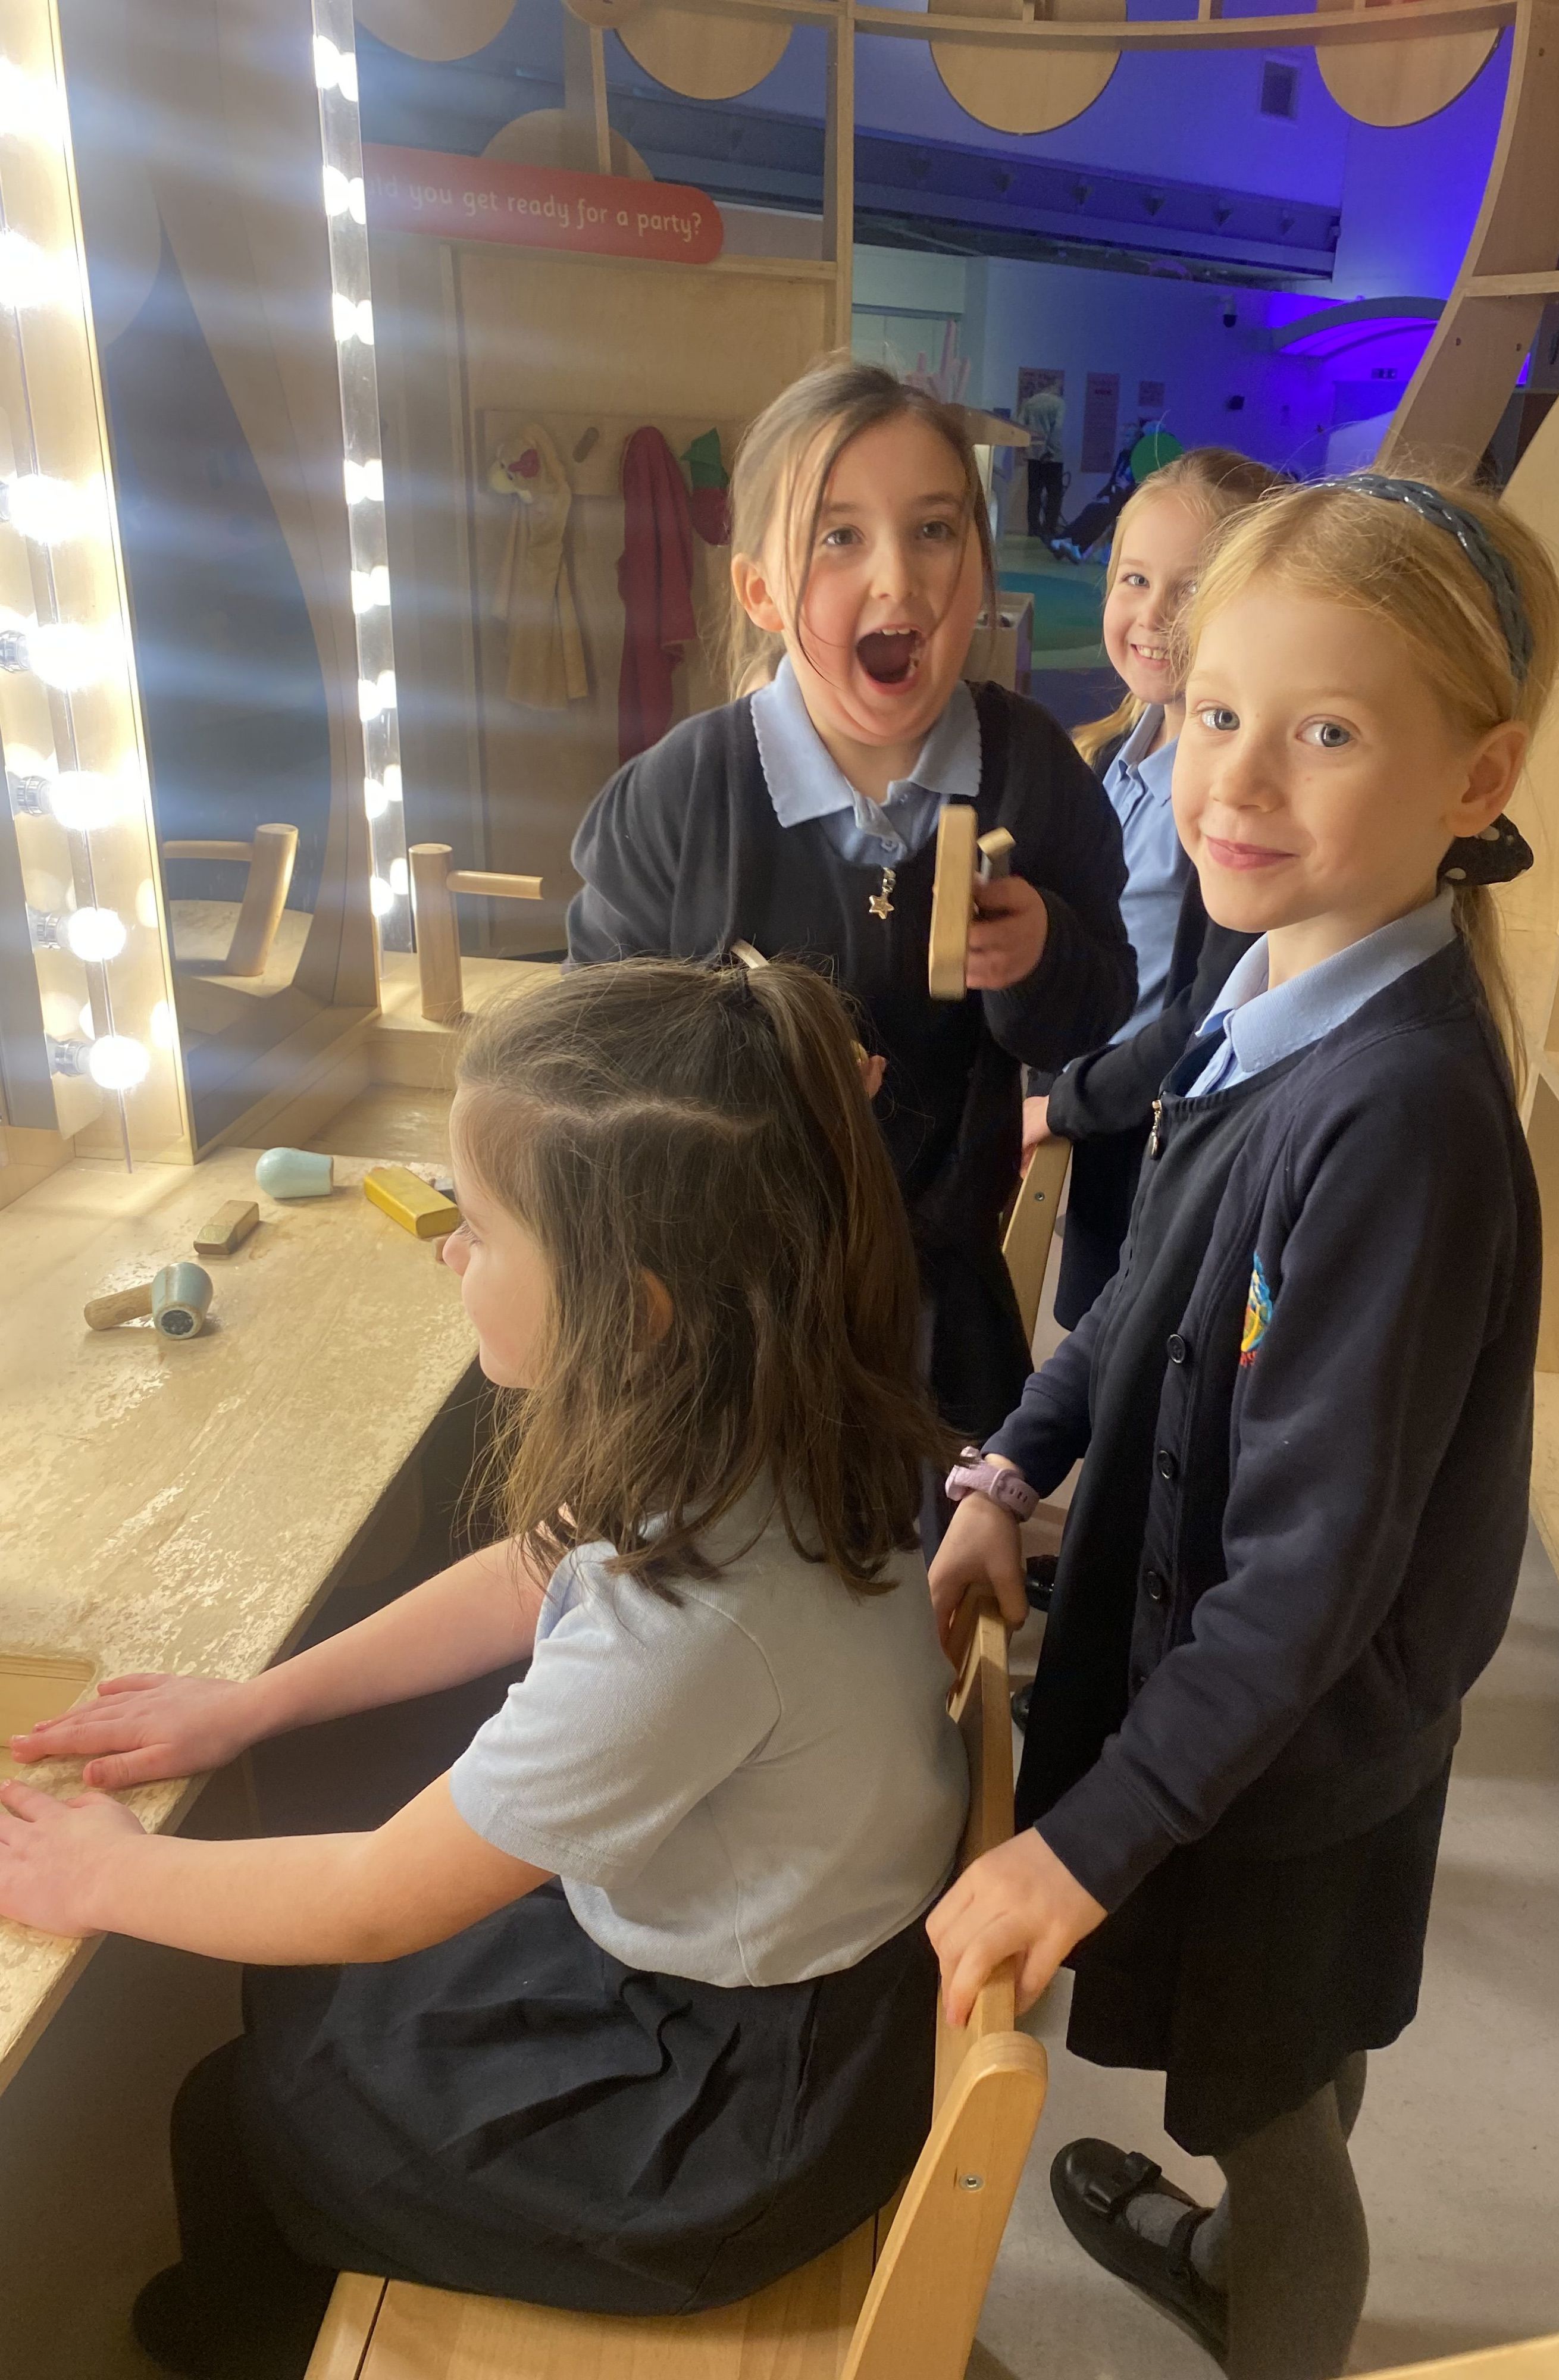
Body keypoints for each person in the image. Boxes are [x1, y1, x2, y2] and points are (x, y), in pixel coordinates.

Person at [2, 957, 971, 2380]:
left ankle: (240, 2333)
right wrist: (258, 1701)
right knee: (293, 2010)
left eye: (484, 1228)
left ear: (635, 1306)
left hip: (733, 2112)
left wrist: (107, 1877)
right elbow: (536, 1567)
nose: (451, 1252)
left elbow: (375, 1897)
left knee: (246, 2099)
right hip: (777, 1964)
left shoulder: (688, 1625)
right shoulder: (765, 1424)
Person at [928, 471, 1559, 2380]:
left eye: (1328, 732)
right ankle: (1230, 2249)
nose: (1239, 781)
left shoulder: (1397, 1118)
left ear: (1477, 778)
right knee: (1284, 2055)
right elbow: (1146, 1292)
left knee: (1269, 2106)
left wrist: (1080, 1849)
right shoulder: (1276, 972)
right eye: (1218, 712)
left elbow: (1307, 1576)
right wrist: (1014, 1465)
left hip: (1288, 1756)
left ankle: (1272, 2313)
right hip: (1258, 1721)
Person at [566, 355, 1135, 1479]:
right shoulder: (681, 796)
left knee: (928, 1566)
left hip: (940, 1315)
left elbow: (1095, 1007)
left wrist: (1039, 956)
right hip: (721, 1315)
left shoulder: (1032, 771)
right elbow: (591, 1063)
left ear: (979, 564)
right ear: (762, 594)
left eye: (935, 531)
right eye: (839, 536)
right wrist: (751, 1070)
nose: (897, 579)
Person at [1026, 448, 1283, 1329]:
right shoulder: (1104, 756)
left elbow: (1202, 1018)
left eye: (1193, 588)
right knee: (1088, 1327)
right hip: (1094, 1112)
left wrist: (1065, 1102)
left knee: (1139, 1342)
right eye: (1135, 579)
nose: (1153, 615)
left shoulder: (1231, 811)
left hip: (1159, 1135)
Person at [1018, 378, 1067, 543]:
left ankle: (1033, 528)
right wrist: (1050, 450)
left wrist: (1027, 448)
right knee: (1054, 494)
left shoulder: (1030, 403)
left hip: (1033, 454)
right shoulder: (1059, 403)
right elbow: (1057, 428)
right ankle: (1049, 528)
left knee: (1034, 493)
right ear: (1054, 387)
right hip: (1053, 457)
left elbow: (1020, 425)